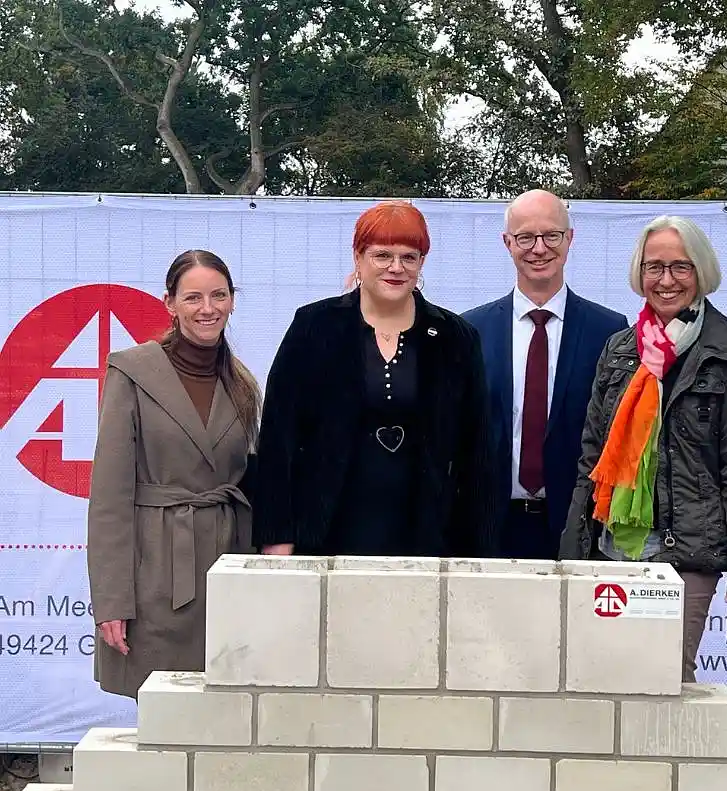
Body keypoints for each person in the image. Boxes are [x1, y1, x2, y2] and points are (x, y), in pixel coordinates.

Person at [560, 215, 727, 681]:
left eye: (680, 267)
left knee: (667, 682)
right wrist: (572, 548)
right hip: (610, 547)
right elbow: (592, 458)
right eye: (654, 267)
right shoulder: (620, 349)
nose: (666, 280)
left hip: (687, 553)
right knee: (603, 682)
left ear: (701, 271)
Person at [252, 200, 497, 558]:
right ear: (358, 257)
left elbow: (478, 450)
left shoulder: (456, 337)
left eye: (409, 257)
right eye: (382, 255)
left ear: (422, 263)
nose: (396, 267)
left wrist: (480, 549)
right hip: (325, 532)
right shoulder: (314, 327)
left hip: (427, 537)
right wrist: (276, 536)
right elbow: (278, 437)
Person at [87, 249, 261, 699]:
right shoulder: (132, 372)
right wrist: (111, 600)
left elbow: (253, 480)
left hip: (227, 566)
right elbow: (109, 497)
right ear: (170, 303)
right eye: (193, 297)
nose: (208, 309)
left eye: (218, 295)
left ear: (232, 301)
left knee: (224, 708)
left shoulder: (243, 384)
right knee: (163, 708)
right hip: (156, 570)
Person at [464, 190, 627, 560]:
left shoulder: (609, 331)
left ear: (570, 238)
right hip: (490, 530)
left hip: (579, 529)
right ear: (507, 243)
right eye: (525, 237)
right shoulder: (472, 331)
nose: (539, 249)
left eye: (551, 235)